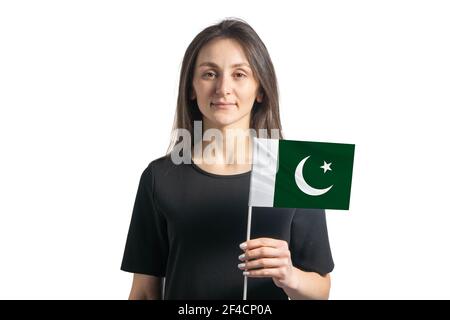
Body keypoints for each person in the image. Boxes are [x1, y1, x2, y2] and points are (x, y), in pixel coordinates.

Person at [120, 18, 334, 300]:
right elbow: (145, 293)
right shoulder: (159, 177)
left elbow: (321, 291)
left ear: (260, 89)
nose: (223, 88)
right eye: (209, 74)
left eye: (239, 74)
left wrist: (290, 276)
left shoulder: (297, 171)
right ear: (191, 88)